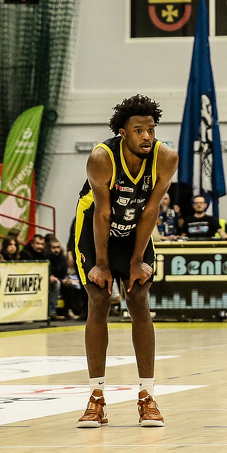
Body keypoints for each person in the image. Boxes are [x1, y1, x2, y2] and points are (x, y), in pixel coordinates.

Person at [74, 95, 178, 429]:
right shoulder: (101, 158)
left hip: (136, 230)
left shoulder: (165, 157)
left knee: (138, 298)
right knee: (99, 299)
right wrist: (101, 263)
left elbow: (151, 210)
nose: (147, 136)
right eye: (138, 130)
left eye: (151, 129)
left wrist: (136, 260)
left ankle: (148, 397)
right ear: (122, 132)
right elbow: (102, 213)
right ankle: (96, 398)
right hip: (96, 229)